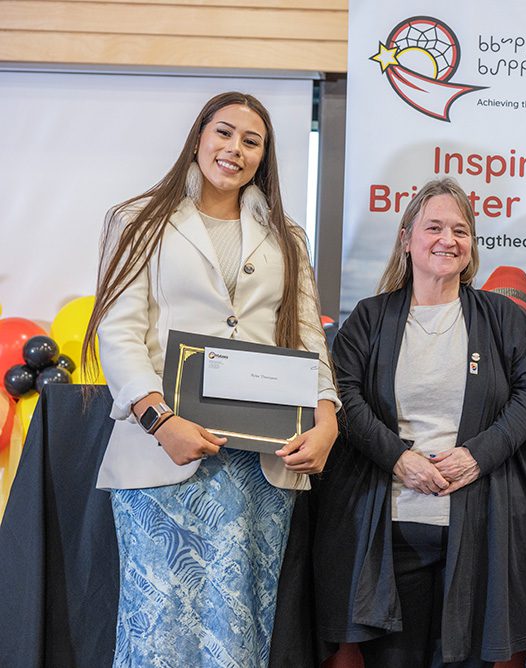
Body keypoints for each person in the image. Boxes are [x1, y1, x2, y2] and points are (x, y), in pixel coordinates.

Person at [81, 91, 340, 667]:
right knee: (158, 632)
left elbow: (307, 339)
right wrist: (159, 419)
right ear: (199, 136)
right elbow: (119, 335)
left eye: (252, 141)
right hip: (161, 454)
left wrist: (327, 421)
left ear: (264, 157)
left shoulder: (286, 237)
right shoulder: (138, 219)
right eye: (224, 133)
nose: (235, 149)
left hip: (259, 463)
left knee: (237, 632)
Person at [311, 178, 526, 667]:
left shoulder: (503, 318)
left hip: (480, 525)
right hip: (392, 527)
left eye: (460, 230)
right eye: (434, 227)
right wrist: (398, 459)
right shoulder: (369, 317)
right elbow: (344, 396)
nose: (448, 240)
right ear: (406, 238)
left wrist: (477, 456)